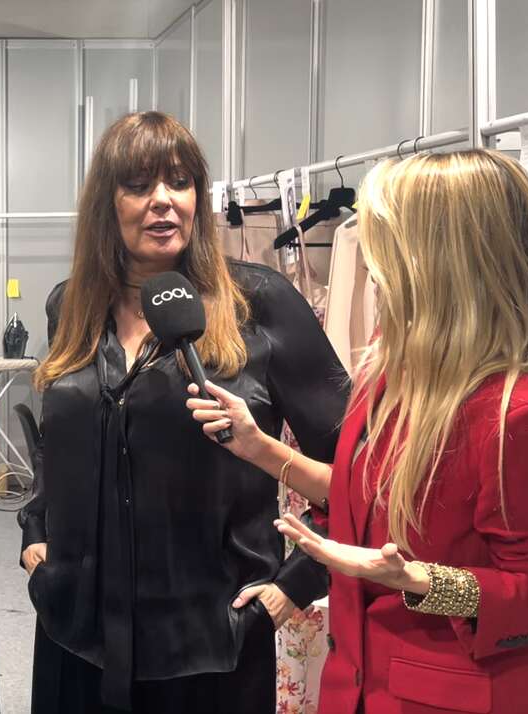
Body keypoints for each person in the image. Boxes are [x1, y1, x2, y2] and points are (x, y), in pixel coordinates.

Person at [191, 150, 528, 712]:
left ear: (442, 263)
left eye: (385, 247)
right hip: (357, 685)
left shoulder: (522, 418)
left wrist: (422, 580)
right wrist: (259, 447)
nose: (373, 269)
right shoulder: (389, 381)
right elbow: (366, 506)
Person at [21, 111, 348, 713]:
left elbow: (363, 474)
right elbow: (58, 439)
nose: (163, 202)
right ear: (107, 203)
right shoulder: (70, 305)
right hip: (77, 636)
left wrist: (293, 586)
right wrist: (36, 529)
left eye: (180, 182)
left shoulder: (262, 305)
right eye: (139, 185)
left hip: (209, 647)